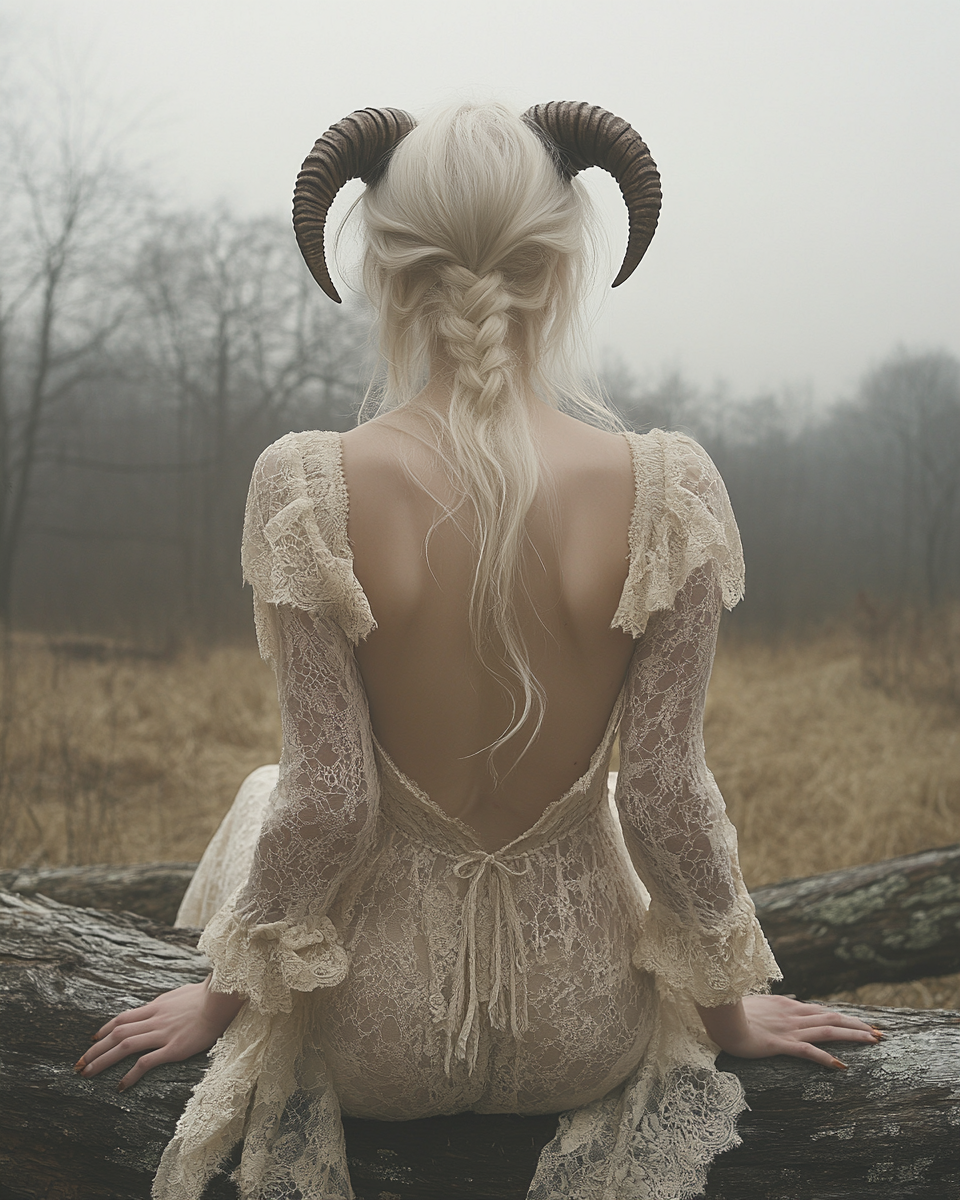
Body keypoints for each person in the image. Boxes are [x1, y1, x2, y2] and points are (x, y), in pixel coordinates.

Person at [75, 102, 880, 1200]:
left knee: (270, 785)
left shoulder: (309, 482)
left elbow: (331, 800)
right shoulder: (667, 488)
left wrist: (215, 1003)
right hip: (580, 1030)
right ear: (561, 268)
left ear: (387, 272)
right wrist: (729, 1014)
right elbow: (660, 792)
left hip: (373, 1033)